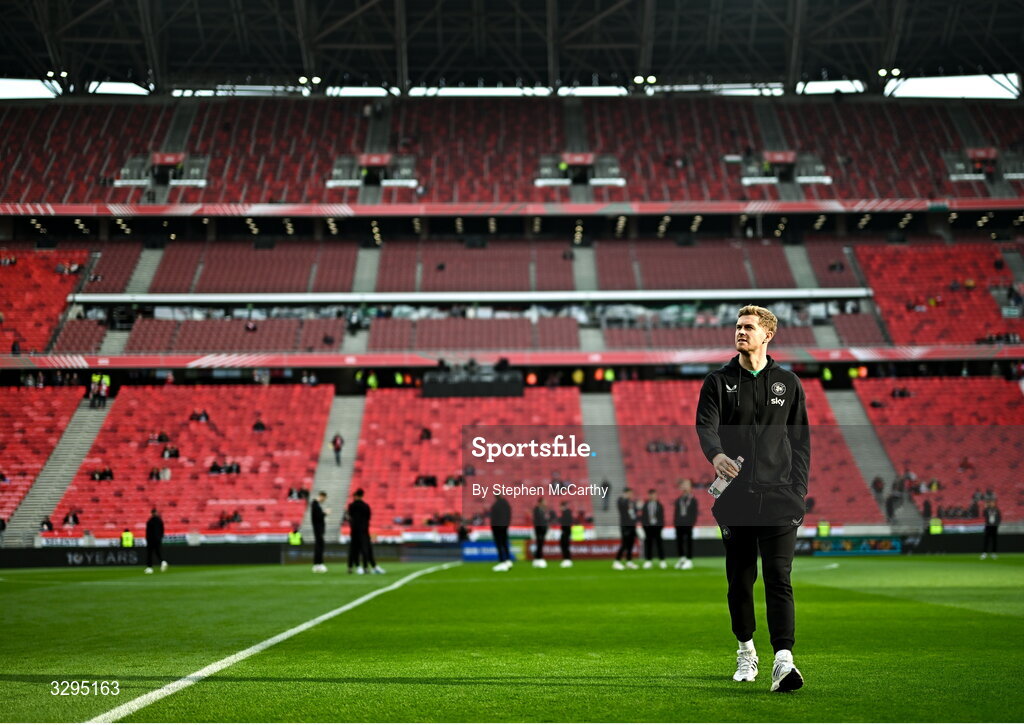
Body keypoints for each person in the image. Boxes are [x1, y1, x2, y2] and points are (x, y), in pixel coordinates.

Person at [696, 304, 810, 693]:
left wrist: (798, 490)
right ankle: (746, 649)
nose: (740, 332)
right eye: (738, 326)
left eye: (748, 327)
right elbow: (705, 427)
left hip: (781, 499)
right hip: (736, 499)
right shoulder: (717, 381)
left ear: (768, 334)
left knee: (779, 578)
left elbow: (800, 441)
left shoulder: (789, 383)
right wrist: (717, 455)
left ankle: (783, 660)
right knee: (741, 581)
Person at [346, 489, 384, 574]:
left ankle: (353, 567)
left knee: (354, 549)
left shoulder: (351, 506)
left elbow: (350, 517)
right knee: (365, 549)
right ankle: (366, 567)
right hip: (364, 531)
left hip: (354, 530)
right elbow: (368, 518)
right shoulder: (366, 506)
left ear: (355, 496)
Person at [674, 479, 698, 570]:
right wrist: (675, 523)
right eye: (683, 484)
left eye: (687, 484)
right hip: (679, 524)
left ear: (690, 487)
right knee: (679, 542)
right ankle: (681, 559)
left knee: (688, 541)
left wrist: (691, 523)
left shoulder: (693, 500)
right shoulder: (679, 499)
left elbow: (694, 513)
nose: (684, 486)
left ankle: (689, 560)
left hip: (688, 524)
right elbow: (676, 513)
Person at [613, 487, 639, 570]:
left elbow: (634, 514)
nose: (631, 495)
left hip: (632, 525)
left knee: (631, 544)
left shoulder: (631, 502)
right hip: (625, 526)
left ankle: (629, 561)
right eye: (629, 493)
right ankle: (617, 561)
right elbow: (622, 508)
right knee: (624, 544)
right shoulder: (621, 500)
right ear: (625, 493)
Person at [641, 488, 666, 569]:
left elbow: (662, 518)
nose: (653, 496)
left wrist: (660, 526)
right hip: (648, 528)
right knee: (649, 544)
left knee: (659, 544)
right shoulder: (645, 505)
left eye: (654, 495)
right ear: (649, 495)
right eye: (651, 495)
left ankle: (662, 561)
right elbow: (643, 517)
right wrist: (645, 527)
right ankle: (648, 561)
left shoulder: (659, 505)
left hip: (657, 528)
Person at [490, 494, 512, 572]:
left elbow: (493, 518)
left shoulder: (495, 506)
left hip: (497, 528)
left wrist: (493, 527)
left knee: (499, 545)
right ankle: (508, 560)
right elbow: (509, 515)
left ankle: (502, 562)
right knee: (505, 544)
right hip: (504, 527)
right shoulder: (506, 504)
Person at [311, 491, 329, 573]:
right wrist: (325, 513)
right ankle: (319, 564)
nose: (324, 500)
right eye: (324, 498)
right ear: (322, 496)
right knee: (319, 546)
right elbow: (318, 517)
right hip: (318, 529)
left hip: (318, 529)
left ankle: (317, 564)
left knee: (319, 545)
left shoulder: (316, 504)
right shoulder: (315, 504)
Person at [144, 509, 167, 574]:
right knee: (158, 552)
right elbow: (162, 530)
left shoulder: (150, 521)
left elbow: (148, 532)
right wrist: (160, 537)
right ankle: (162, 562)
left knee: (150, 554)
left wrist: (147, 539)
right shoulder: (160, 521)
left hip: (151, 540)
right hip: (158, 539)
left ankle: (149, 568)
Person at [531, 498, 549, 568]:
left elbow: (545, 520)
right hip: (539, 530)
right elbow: (537, 520)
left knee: (540, 544)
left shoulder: (544, 510)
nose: (545, 503)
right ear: (540, 502)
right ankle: (539, 559)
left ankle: (537, 558)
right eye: (544, 501)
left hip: (543, 529)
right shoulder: (537, 509)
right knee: (539, 544)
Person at [558, 500, 574, 568]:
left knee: (564, 545)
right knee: (565, 545)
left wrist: (564, 530)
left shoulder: (566, 512)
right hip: (566, 531)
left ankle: (566, 560)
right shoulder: (567, 512)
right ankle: (567, 560)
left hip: (565, 532)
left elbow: (567, 523)